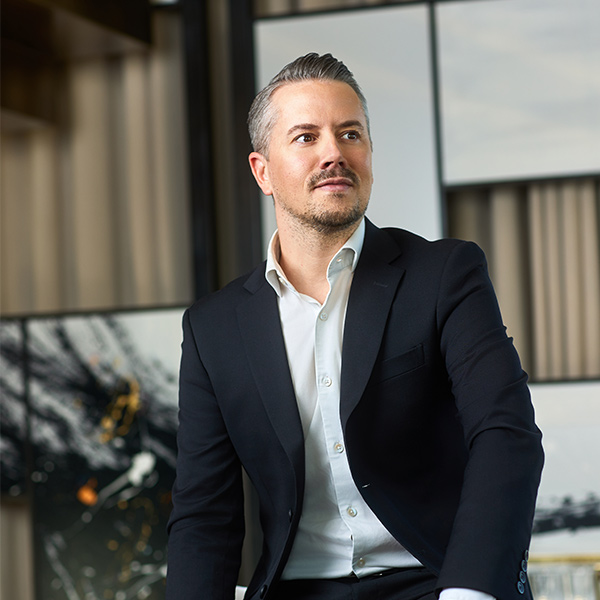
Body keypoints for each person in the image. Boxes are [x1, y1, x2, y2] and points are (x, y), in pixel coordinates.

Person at [166, 53, 544, 600]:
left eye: (350, 134)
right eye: (306, 137)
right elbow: (204, 514)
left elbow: (505, 435)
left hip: (437, 578)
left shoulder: (444, 275)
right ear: (262, 171)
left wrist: (470, 592)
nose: (334, 153)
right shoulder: (213, 329)